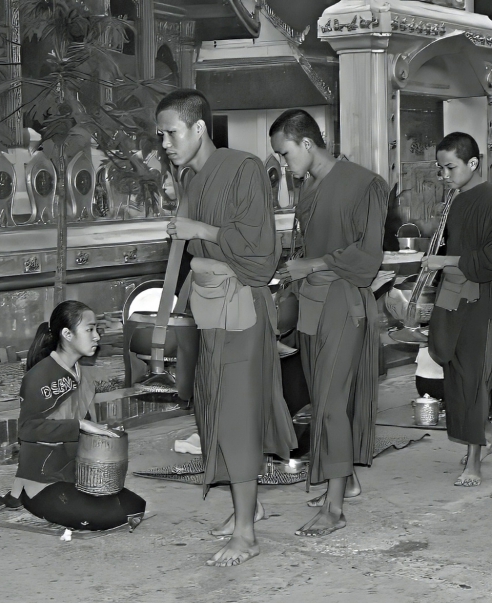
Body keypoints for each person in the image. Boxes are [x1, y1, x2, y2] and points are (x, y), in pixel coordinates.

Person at [156, 89, 296, 565]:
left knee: (237, 412)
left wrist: (201, 230)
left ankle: (246, 535)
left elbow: (261, 251)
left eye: (172, 133)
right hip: (210, 309)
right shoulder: (190, 179)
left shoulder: (244, 168)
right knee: (212, 406)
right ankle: (248, 508)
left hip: (241, 309)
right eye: (161, 135)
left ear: (198, 128)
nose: (166, 143)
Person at [270, 109, 387, 536]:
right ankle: (346, 480)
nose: (284, 165)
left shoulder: (365, 184)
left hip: (342, 302)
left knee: (332, 403)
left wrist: (313, 264)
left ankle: (334, 509)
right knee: (321, 400)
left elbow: (368, 255)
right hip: (310, 305)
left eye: (285, 154)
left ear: (306, 143)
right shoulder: (308, 188)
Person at [425, 132, 492, 486]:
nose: (444, 175)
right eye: (441, 168)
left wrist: (446, 261)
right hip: (452, 296)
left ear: (473, 163)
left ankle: (474, 462)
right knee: (457, 376)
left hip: (479, 299)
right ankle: (488, 435)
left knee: (474, 379)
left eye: (450, 167)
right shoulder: (457, 198)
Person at [13, 300, 146, 531]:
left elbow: (82, 426)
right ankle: (27, 498)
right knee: (104, 516)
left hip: (75, 477)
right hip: (43, 482)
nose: (97, 337)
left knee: (135, 505)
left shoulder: (80, 374)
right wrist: (80, 425)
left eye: (96, 330)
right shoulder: (39, 376)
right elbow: (27, 429)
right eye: (89, 330)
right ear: (67, 334)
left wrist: (103, 433)